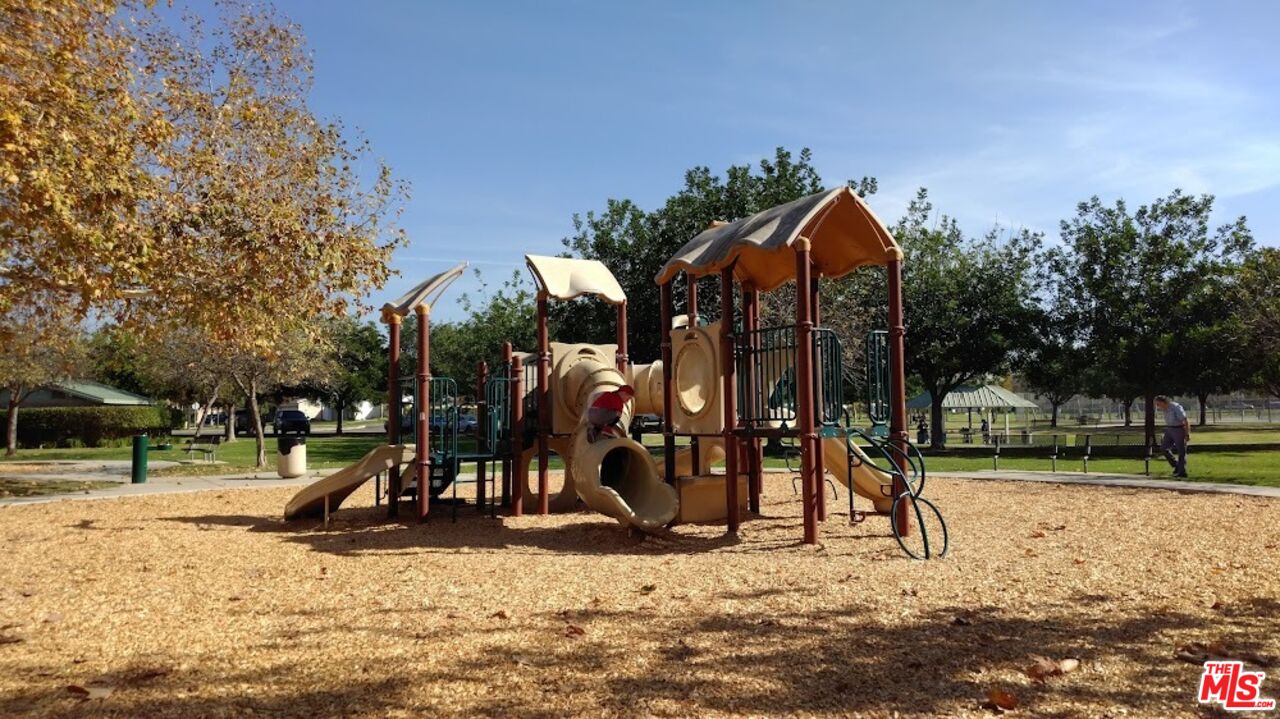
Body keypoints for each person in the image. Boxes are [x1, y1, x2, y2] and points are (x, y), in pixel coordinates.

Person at [1154, 395, 1190, 477]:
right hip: (1169, 429)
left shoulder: (1175, 407)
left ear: (1164, 402)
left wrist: (1187, 433)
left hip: (1179, 429)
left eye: (1158, 404)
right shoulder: (1164, 409)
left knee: (1181, 451)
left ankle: (1182, 472)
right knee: (1163, 448)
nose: (1158, 407)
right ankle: (1176, 465)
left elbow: (1185, 420)